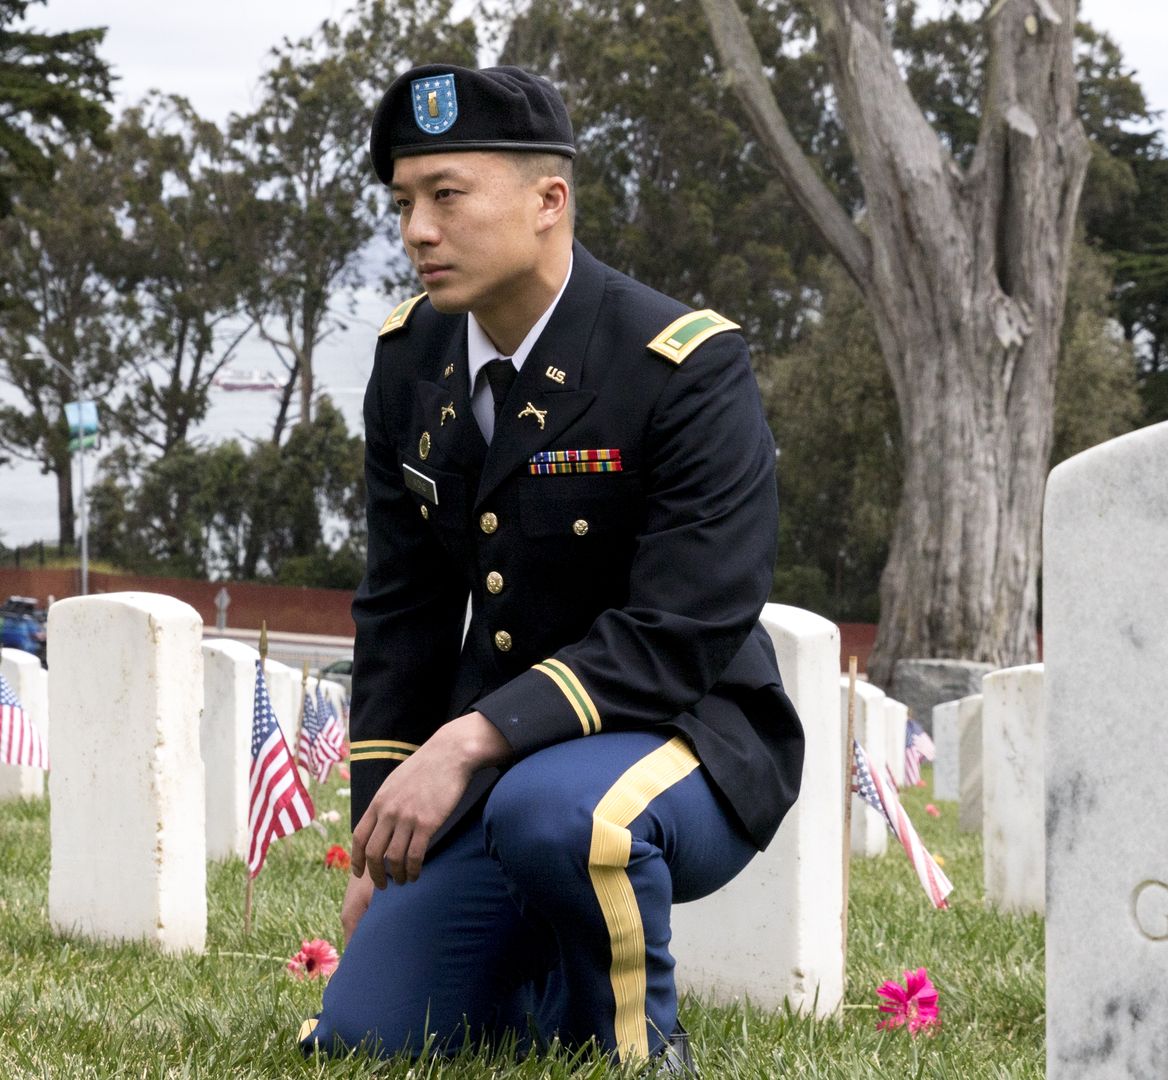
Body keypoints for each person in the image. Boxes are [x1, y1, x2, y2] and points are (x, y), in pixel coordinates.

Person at [298, 63, 803, 1074]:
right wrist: (384, 831)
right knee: (369, 1039)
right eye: (403, 202)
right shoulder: (411, 361)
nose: (416, 232)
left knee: (560, 816)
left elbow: (685, 628)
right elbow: (400, 612)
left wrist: (472, 740)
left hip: (684, 741)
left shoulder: (682, 364)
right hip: (497, 769)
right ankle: (540, 975)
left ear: (548, 201)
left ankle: (638, 1048)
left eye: (447, 195)